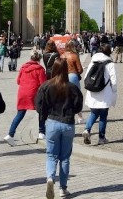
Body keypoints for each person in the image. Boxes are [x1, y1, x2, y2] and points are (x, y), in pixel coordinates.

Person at [35, 58, 83, 199]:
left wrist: (44, 116)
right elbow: (78, 106)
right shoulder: (72, 87)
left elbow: (39, 106)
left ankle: (50, 178)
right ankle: (63, 188)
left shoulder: (46, 86)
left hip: (52, 122)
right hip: (67, 123)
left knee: (51, 155)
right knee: (65, 157)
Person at [4, 49, 47, 146]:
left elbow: (18, 81)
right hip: (34, 93)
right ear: (39, 59)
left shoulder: (23, 67)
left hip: (22, 92)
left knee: (20, 114)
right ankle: (41, 132)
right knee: (41, 110)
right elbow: (43, 84)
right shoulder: (39, 69)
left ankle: (10, 135)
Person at [82, 43, 117, 146]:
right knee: (103, 115)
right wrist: (114, 91)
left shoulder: (93, 61)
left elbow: (86, 77)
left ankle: (87, 129)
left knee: (93, 113)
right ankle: (101, 137)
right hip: (105, 93)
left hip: (93, 91)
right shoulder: (110, 64)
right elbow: (114, 81)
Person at [61, 40, 84, 124]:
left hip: (64, 77)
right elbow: (80, 70)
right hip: (73, 76)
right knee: (77, 96)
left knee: (65, 96)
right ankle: (80, 117)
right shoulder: (74, 56)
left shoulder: (62, 56)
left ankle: (65, 115)